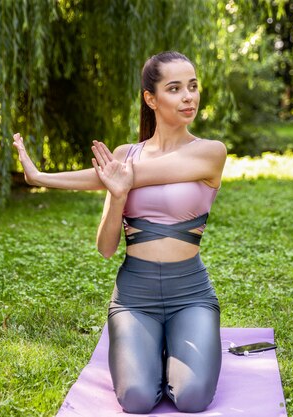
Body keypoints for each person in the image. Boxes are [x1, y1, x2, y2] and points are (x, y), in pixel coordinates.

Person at [13, 51, 227, 414]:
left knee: (193, 398)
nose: (188, 96)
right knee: (137, 399)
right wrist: (114, 193)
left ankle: (173, 345)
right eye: (174, 88)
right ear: (151, 98)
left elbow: (133, 173)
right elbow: (106, 248)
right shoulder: (125, 155)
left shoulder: (210, 153)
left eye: (192, 86)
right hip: (134, 295)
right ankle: (157, 348)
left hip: (190, 292)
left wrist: (55, 178)